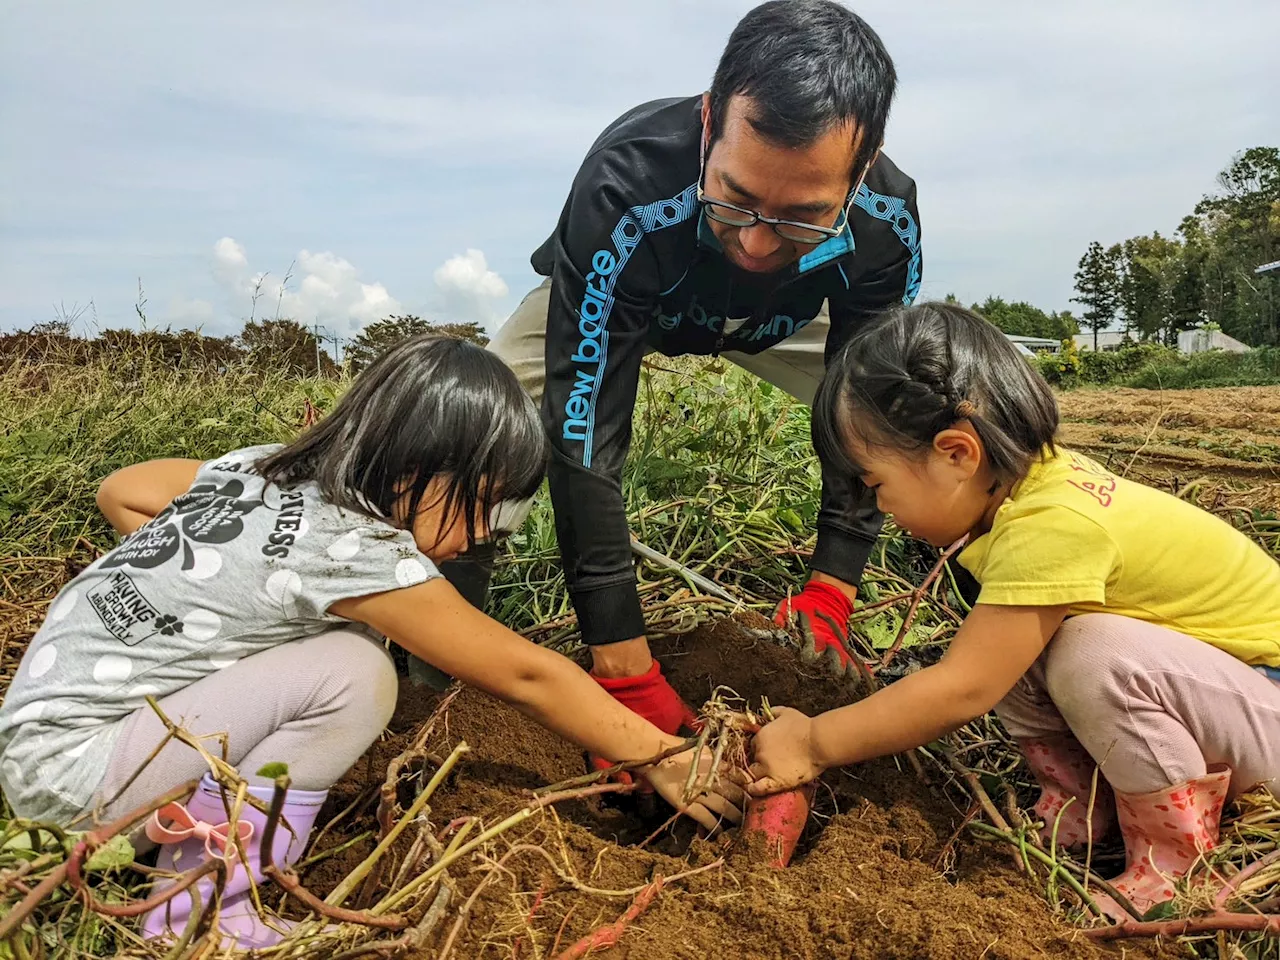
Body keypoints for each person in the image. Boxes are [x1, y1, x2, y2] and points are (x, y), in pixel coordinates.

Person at [0, 335, 741, 949]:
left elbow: (124, 489)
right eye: (480, 504)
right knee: (357, 670)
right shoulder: (351, 548)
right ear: (414, 470)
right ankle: (199, 909)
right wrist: (663, 756)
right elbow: (527, 676)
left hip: (39, 745)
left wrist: (220, 598)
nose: (484, 535)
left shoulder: (251, 469)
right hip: (81, 779)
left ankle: (185, 858)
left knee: (329, 640)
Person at [459, 0, 921, 751]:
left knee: (932, 413)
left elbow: (872, 401)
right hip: (632, 296)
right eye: (736, 198)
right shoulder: (626, 183)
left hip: (791, 315)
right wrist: (621, 658)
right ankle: (436, 662)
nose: (758, 240)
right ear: (710, 120)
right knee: (474, 432)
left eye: (801, 214)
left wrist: (834, 583)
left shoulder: (886, 222)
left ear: (860, 170)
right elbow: (585, 432)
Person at [745, 302, 1280, 919]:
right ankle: (1084, 801)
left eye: (875, 485)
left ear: (957, 454)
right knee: (1015, 649)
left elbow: (963, 691)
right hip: (1224, 699)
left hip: (1263, 704)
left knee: (1090, 655)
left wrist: (814, 742)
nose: (880, 508)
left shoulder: (1053, 523)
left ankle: (1175, 856)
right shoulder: (1029, 496)